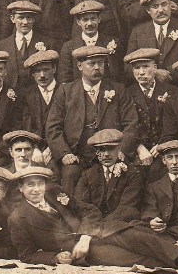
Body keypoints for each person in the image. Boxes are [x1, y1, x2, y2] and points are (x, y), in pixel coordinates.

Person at [7, 166, 178, 272]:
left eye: (40, 184)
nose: (37, 189)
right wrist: (54, 258)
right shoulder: (18, 218)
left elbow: (89, 211)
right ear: (20, 188)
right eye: (30, 185)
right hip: (81, 253)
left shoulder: (55, 193)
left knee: (138, 237)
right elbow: (27, 255)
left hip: (98, 232)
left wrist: (86, 235)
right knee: (133, 258)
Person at [45, 45, 139, 193]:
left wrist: (122, 151)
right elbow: (53, 127)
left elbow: (131, 124)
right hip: (77, 155)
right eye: (91, 64)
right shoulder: (66, 91)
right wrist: (65, 154)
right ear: (79, 66)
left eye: (100, 63)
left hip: (110, 153)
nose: (97, 68)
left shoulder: (118, 90)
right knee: (70, 174)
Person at [123, 48, 178, 179]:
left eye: (146, 66)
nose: (141, 72)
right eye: (136, 68)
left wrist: (162, 146)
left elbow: (175, 125)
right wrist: (139, 147)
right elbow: (127, 125)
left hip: (165, 148)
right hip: (137, 149)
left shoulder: (173, 92)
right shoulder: (126, 94)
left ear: (155, 68)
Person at [73, 129, 143, 222]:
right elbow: (81, 204)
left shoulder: (132, 174)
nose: (106, 154)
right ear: (97, 152)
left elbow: (127, 207)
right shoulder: (88, 175)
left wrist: (103, 224)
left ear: (119, 149)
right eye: (102, 150)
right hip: (93, 222)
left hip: (119, 224)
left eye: (111, 149)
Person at [0, 1, 60, 87]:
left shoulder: (49, 43)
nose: (25, 22)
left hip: (38, 92)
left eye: (29, 17)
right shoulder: (1, 45)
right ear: (12, 18)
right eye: (21, 18)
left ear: (34, 19)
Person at [59, 0, 121, 84]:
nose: (89, 23)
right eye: (85, 20)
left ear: (99, 19)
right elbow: (65, 79)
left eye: (93, 19)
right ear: (78, 22)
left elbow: (119, 75)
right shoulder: (68, 47)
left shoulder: (112, 42)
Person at [20, 49, 60, 141]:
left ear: (54, 69)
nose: (42, 75)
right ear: (32, 74)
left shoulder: (65, 91)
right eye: (37, 71)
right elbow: (27, 126)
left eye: (46, 70)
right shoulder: (27, 95)